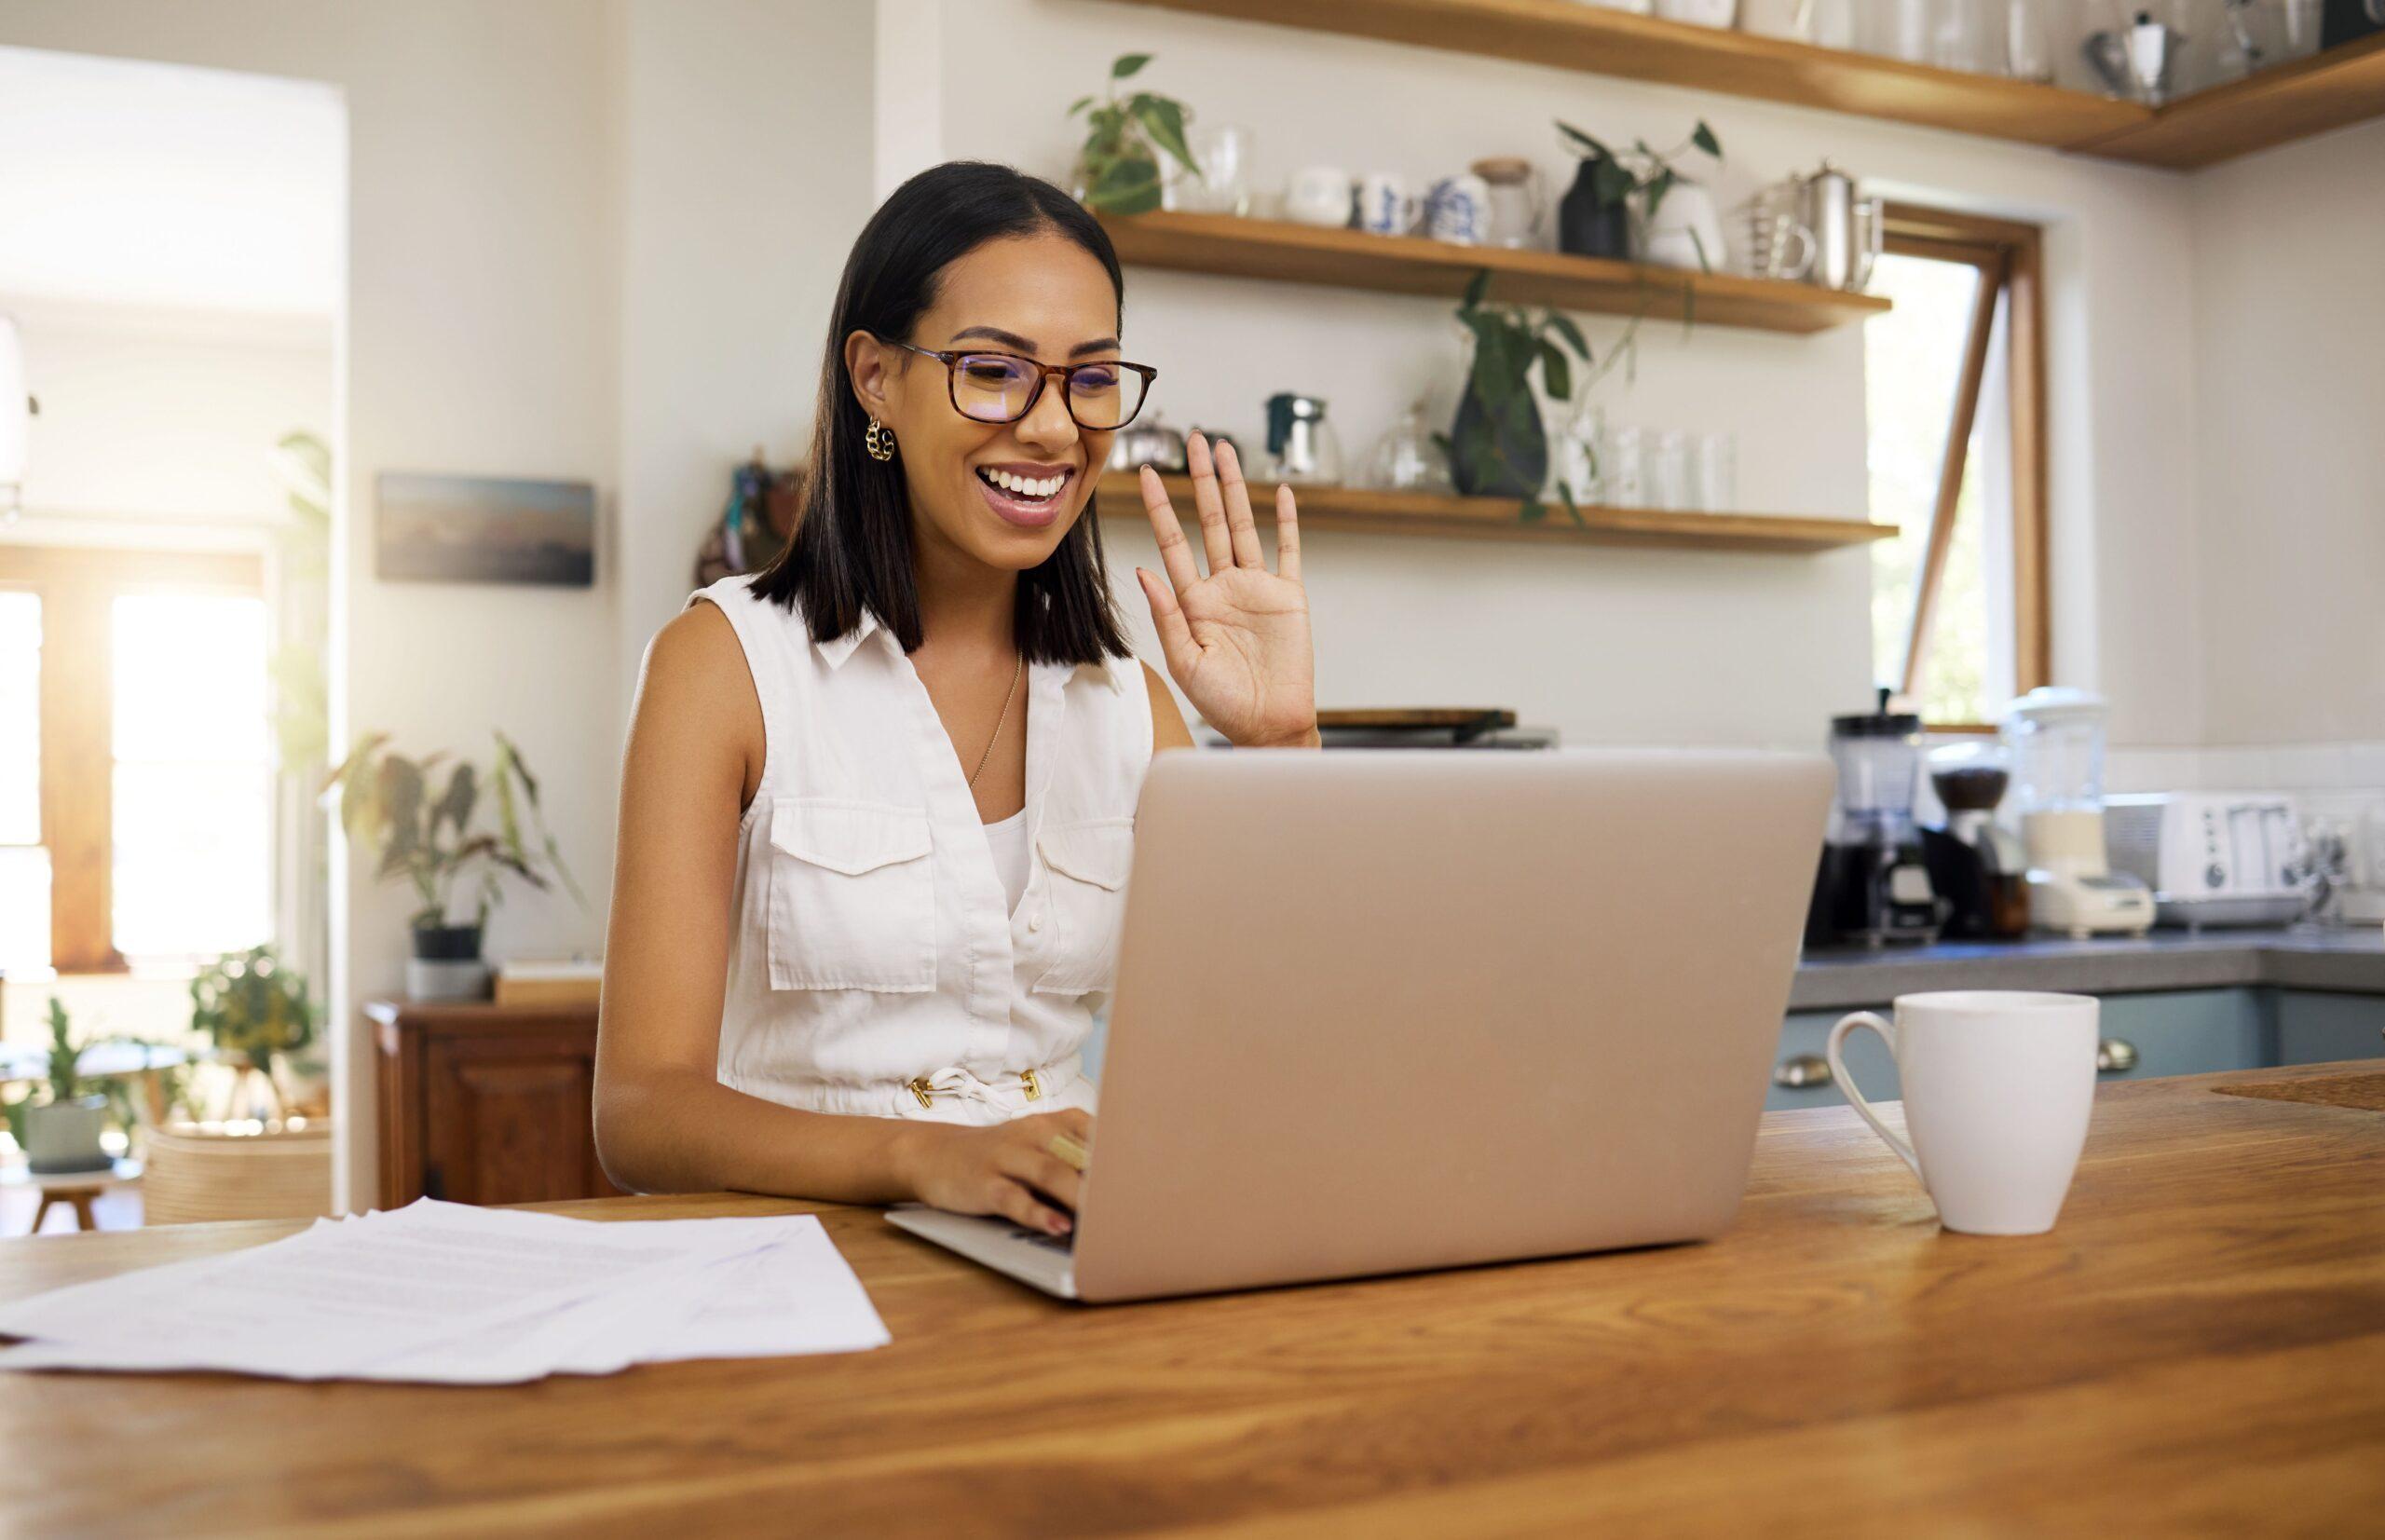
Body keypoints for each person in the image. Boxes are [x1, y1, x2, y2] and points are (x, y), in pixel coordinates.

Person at [594, 162, 1317, 1237]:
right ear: (875, 379)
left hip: (1073, 1243)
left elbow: (1256, 1046)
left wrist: (1282, 743)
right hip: (799, 1262)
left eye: (1091, 376)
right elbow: (641, 1115)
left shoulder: (1138, 710)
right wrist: (926, 1158)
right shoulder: (724, 667)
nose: (1052, 429)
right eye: (991, 371)